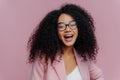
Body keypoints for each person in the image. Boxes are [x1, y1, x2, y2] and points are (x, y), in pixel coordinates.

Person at [27, 4, 104, 80]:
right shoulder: (43, 58)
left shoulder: (83, 56)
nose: (68, 29)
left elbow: (98, 76)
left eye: (72, 24)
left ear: (79, 28)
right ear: (55, 31)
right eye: (62, 26)